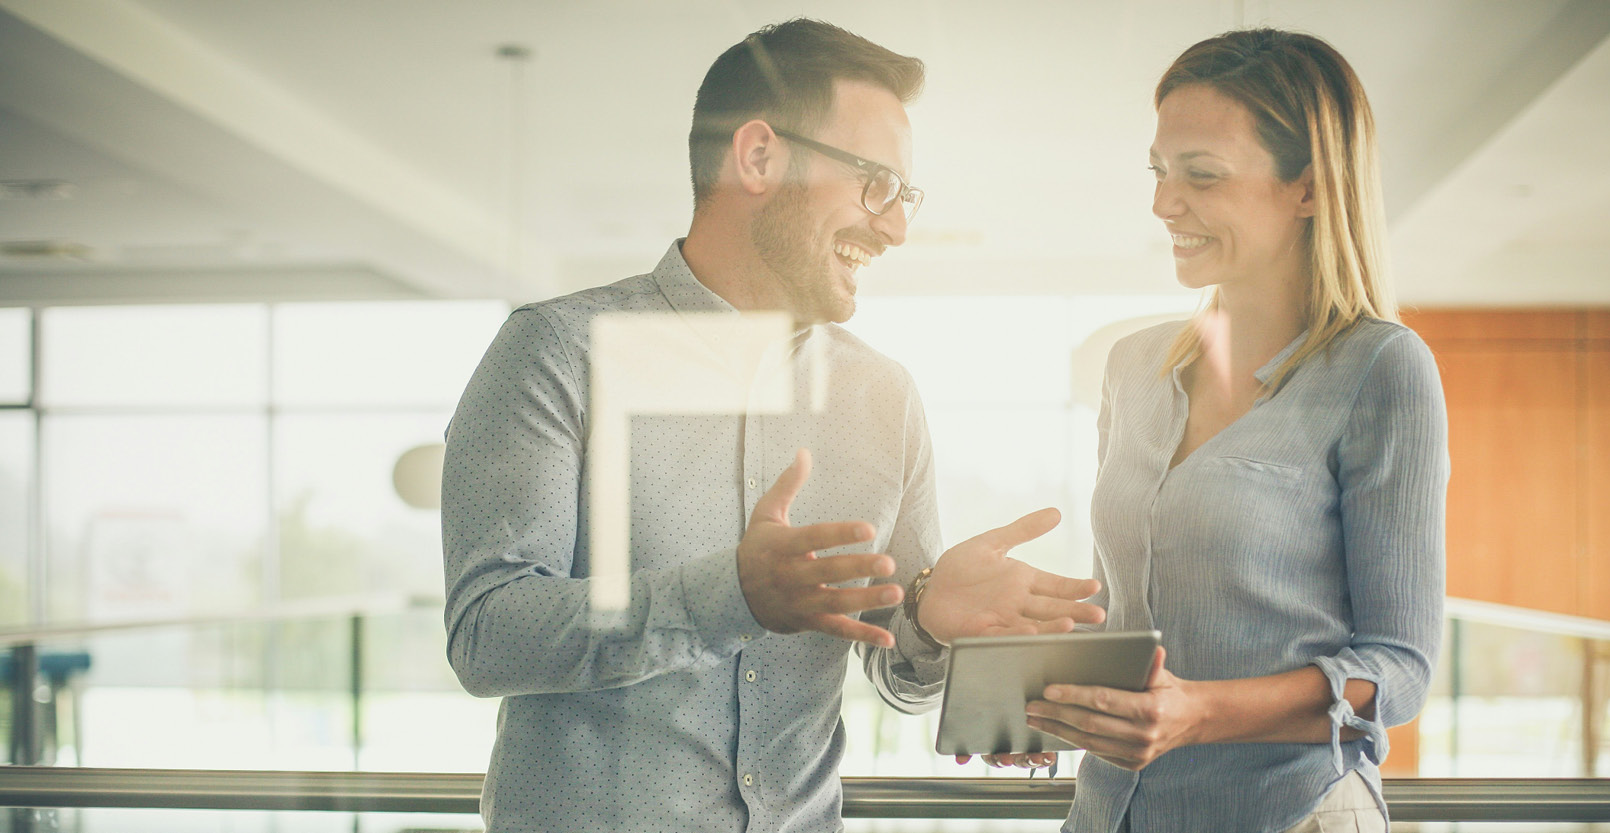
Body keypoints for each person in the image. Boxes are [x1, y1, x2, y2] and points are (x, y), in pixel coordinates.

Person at [440, 18, 1104, 833]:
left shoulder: (882, 395)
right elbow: (486, 635)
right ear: (758, 156)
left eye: (905, 196)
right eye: (876, 184)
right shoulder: (557, 349)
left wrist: (928, 616)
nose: (895, 226)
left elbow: (899, 672)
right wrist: (732, 595)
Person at [1013, 29, 1449, 833]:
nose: (1161, 203)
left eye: (1201, 176)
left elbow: (1399, 668)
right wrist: (1046, 700)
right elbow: (1130, 614)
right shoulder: (1131, 366)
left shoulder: (1380, 367)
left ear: (1309, 189)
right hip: (1109, 812)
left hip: (1290, 812)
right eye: (1158, 171)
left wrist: (1199, 713)